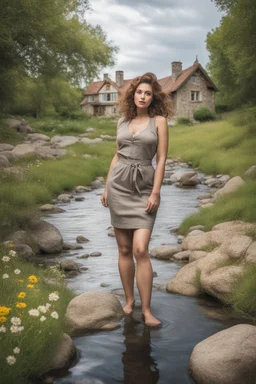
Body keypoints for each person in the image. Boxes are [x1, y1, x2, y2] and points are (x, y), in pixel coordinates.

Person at [100, 72, 172, 327]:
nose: (143, 97)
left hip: (144, 186)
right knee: (124, 249)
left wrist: (155, 192)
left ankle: (147, 310)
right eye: (139, 92)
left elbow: (161, 159)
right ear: (133, 95)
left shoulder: (159, 121)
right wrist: (107, 187)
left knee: (141, 249)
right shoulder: (122, 120)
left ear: (154, 98)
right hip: (118, 185)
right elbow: (116, 155)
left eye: (148, 93)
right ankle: (129, 301)